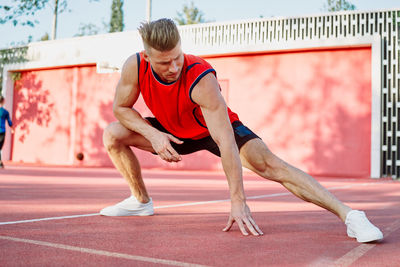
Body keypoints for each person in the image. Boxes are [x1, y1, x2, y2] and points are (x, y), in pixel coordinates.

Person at [101, 18, 383, 242]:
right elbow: (121, 108)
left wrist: (238, 201)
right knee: (113, 133)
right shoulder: (134, 66)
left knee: (269, 164)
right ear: (148, 58)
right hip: (172, 131)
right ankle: (141, 201)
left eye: (177, 57)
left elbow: (225, 142)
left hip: (213, 130)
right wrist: (153, 133)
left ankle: (350, 216)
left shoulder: (200, 78)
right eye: (164, 62)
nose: (174, 66)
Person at [0, 95, 13, 169]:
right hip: (2, 131)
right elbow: (9, 122)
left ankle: (0, 162)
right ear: (3, 101)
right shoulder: (5, 112)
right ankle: (0, 163)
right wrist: (12, 128)